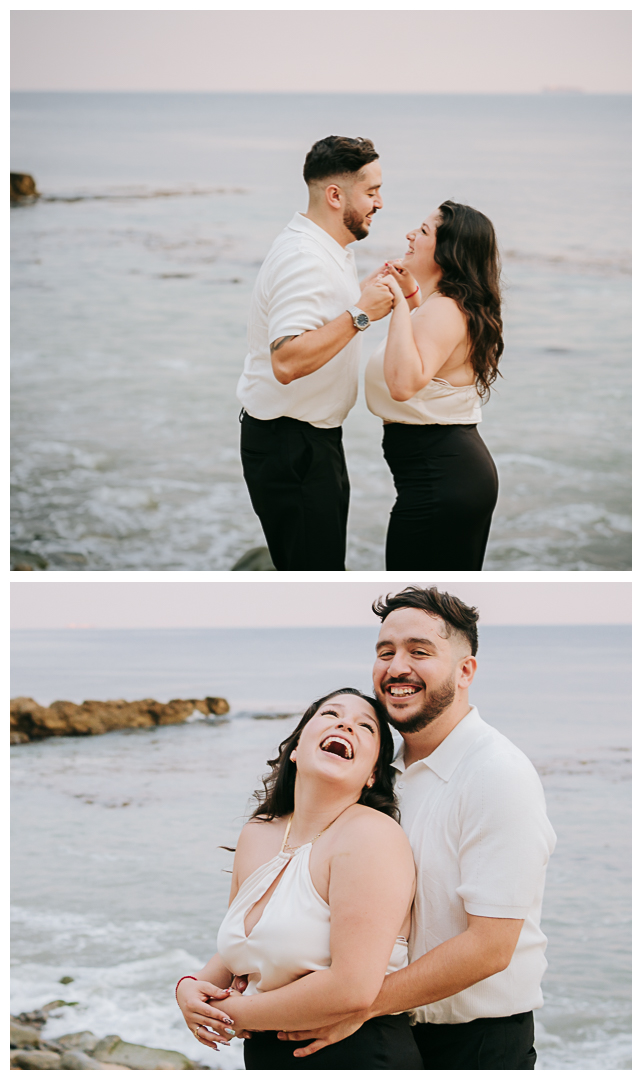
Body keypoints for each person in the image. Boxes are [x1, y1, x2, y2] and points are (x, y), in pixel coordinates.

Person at [277, 586, 557, 1070]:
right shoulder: (376, 771)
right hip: (380, 1036)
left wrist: (355, 1005)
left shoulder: (497, 773)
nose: (396, 667)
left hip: (474, 1045)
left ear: (465, 671)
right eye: (385, 652)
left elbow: (490, 946)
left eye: (419, 652)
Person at [175, 687, 423, 1070]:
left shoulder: (372, 835)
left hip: (356, 1056)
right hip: (265, 1056)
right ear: (296, 746)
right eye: (330, 714)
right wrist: (191, 988)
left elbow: (352, 988)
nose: (345, 724)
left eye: (365, 726)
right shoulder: (258, 833)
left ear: (373, 773)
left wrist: (236, 1015)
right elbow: (243, 949)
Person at [236, 136, 393, 570]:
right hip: (292, 445)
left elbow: (316, 317)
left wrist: (360, 298)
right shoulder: (305, 256)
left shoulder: (327, 247)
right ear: (335, 195)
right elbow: (286, 360)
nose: (380, 203)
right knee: (316, 573)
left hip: (305, 440)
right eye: (372, 191)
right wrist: (361, 314)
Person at [365, 203, 503, 569]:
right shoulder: (445, 305)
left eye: (423, 231)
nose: (410, 236)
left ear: (447, 251)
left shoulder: (444, 309)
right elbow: (424, 350)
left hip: (440, 475)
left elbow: (403, 383)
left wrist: (396, 305)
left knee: (418, 593)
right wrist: (410, 298)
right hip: (445, 470)